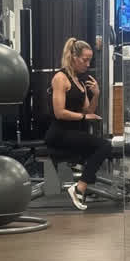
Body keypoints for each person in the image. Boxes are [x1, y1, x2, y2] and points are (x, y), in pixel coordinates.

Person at [45, 37, 112, 211]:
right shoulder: (60, 78)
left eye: (90, 60)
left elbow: (88, 111)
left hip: (74, 133)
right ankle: (79, 188)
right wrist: (83, 118)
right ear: (74, 58)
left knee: (102, 149)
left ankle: (84, 185)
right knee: (104, 146)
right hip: (60, 134)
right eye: (85, 60)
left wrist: (96, 94)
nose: (88, 64)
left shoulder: (80, 81)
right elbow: (59, 112)